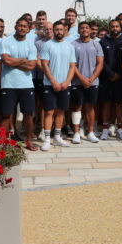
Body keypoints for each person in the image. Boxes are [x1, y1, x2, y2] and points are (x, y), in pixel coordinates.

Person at [0, 18, 38, 150]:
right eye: (20, 26)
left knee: (28, 114)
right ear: (15, 26)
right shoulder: (6, 41)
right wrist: (22, 60)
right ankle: (2, 143)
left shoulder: (31, 44)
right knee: (6, 114)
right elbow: (6, 61)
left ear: (28, 29)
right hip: (9, 84)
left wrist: (14, 62)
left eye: (25, 26)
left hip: (26, 85)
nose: (22, 28)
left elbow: (32, 65)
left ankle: (28, 141)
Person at [39, 21, 76, 150]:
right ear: (53, 30)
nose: (59, 32)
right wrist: (53, 81)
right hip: (50, 84)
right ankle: (47, 139)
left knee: (60, 112)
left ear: (64, 30)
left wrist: (66, 82)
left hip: (65, 85)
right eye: (57, 30)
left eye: (61, 29)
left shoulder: (69, 46)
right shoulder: (47, 45)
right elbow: (44, 65)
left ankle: (57, 137)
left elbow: (72, 66)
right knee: (49, 112)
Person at [70, 22, 104, 143]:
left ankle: (90, 132)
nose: (84, 29)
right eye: (82, 28)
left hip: (92, 82)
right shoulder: (73, 44)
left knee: (90, 107)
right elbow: (72, 65)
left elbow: (100, 63)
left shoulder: (96, 44)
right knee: (77, 107)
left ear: (90, 30)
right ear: (78, 30)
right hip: (76, 82)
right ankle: (76, 133)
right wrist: (82, 79)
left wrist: (92, 78)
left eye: (86, 27)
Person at [99, 19, 122, 140]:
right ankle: (105, 129)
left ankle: (119, 129)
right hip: (106, 78)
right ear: (109, 28)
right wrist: (110, 74)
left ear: (120, 27)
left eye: (117, 26)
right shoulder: (102, 42)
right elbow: (101, 61)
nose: (115, 28)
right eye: (112, 26)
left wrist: (118, 74)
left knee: (118, 104)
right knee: (106, 104)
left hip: (121, 79)